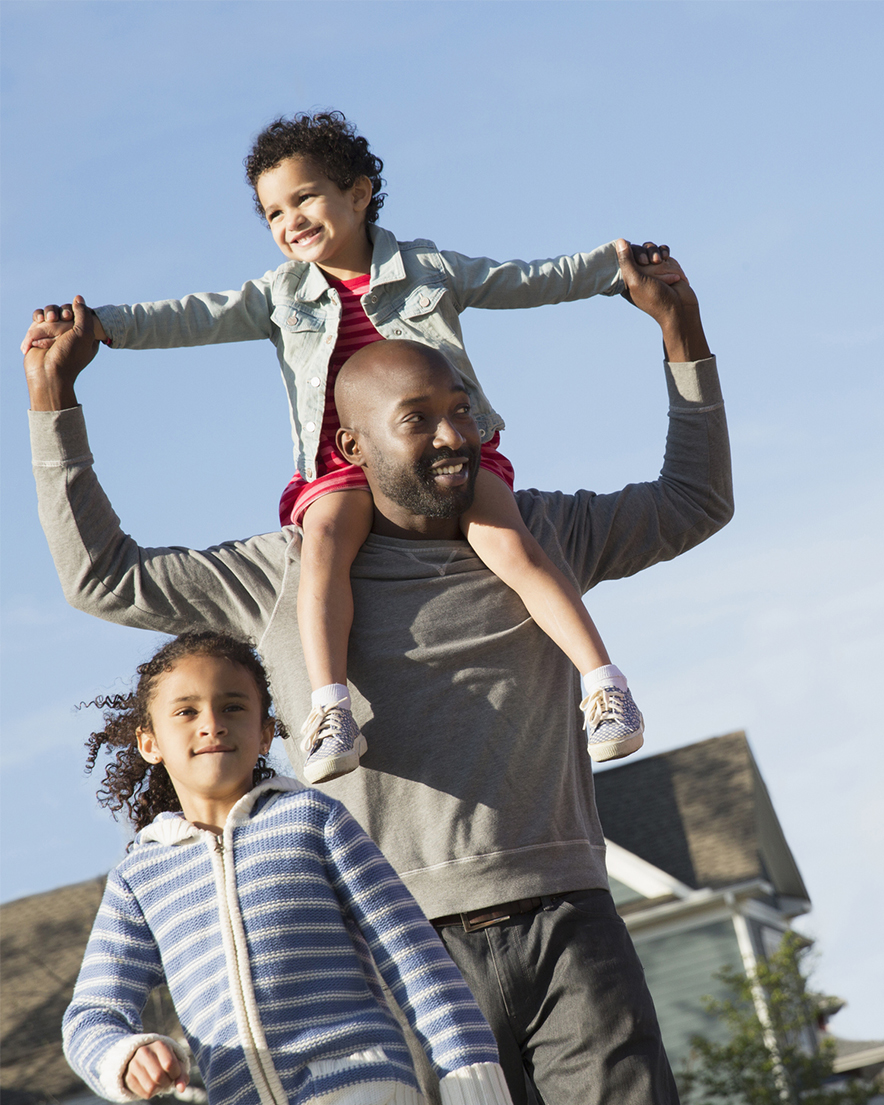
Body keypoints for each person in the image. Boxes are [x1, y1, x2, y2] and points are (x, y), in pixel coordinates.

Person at [27, 239, 725, 1105]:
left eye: (460, 413)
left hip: (569, 921)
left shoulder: (544, 532)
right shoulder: (283, 577)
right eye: (418, 421)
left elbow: (693, 501)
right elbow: (104, 579)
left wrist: (683, 337)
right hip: (399, 961)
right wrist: (54, 405)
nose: (452, 437)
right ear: (350, 445)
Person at [22, 110, 668, 780]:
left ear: (358, 194)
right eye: (273, 212)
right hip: (341, 464)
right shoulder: (279, 296)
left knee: (509, 543)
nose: (290, 220)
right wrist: (97, 324)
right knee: (323, 547)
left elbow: (527, 279)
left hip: (447, 449)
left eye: (304, 197)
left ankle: (604, 685)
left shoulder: (426, 269)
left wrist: (613, 267)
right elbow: (194, 315)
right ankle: (331, 712)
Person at [64, 629, 516, 1105]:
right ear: (150, 743)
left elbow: (416, 959)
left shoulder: (312, 822)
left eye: (232, 706)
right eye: (186, 712)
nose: (212, 723)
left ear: (265, 733)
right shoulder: (139, 878)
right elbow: (92, 1014)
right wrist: (125, 1054)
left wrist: (472, 1087)